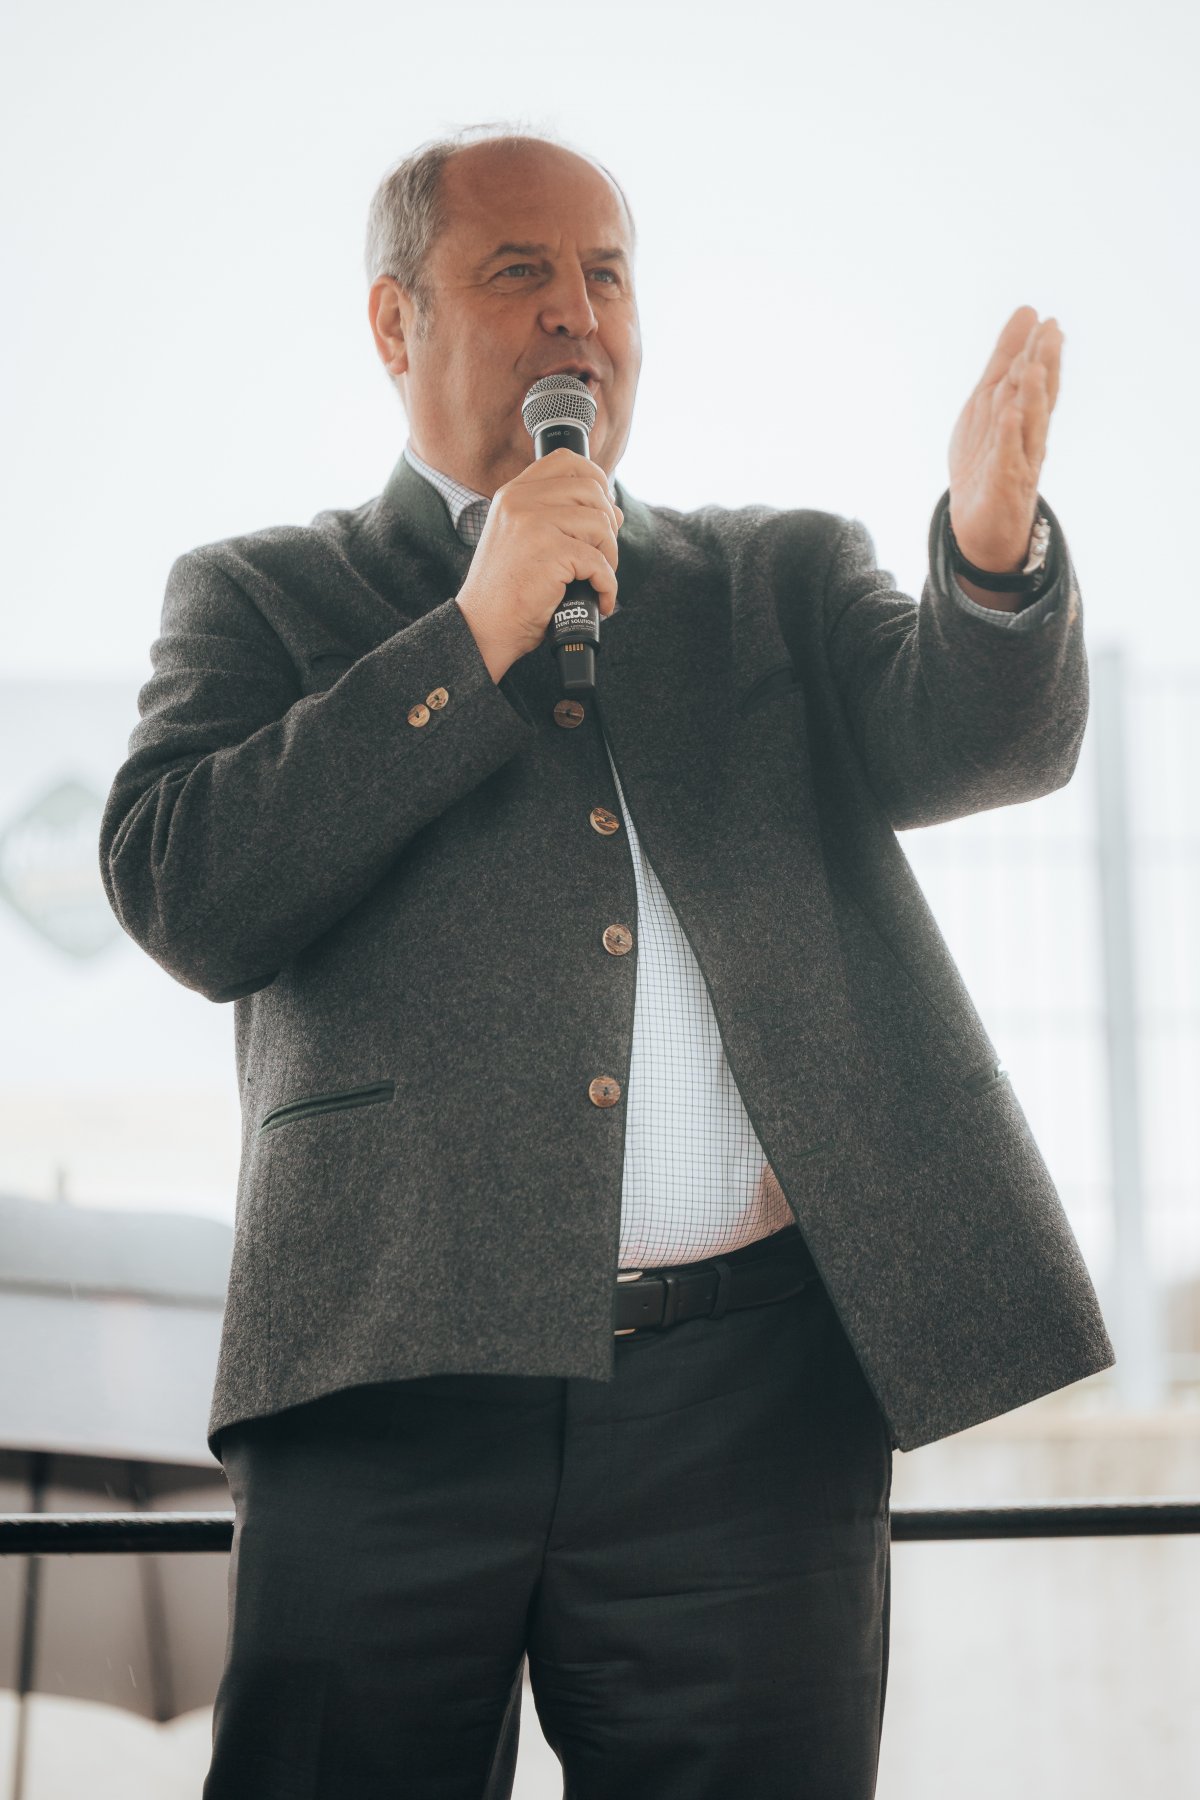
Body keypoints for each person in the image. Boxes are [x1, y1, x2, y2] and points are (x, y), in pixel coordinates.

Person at [98, 124, 1115, 1799]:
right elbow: (183, 889)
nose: (578, 312)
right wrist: (472, 634)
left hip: (750, 1413)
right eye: (521, 272)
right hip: (384, 1382)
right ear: (395, 321)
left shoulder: (771, 576)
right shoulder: (263, 596)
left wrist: (994, 564)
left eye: (609, 275)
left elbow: (971, 738)